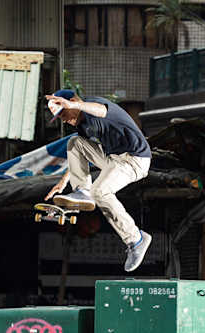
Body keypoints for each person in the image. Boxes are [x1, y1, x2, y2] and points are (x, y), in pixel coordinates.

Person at [44, 89, 152, 272]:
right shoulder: (82, 126)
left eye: (63, 113)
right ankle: (81, 190)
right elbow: (81, 154)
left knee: (100, 191)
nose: (63, 119)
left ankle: (136, 239)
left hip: (135, 160)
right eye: (59, 116)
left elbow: (102, 110)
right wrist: (63, 182)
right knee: (75, 143)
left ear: (73, 101)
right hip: (113, 159)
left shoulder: (95, 107)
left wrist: (75, 105)